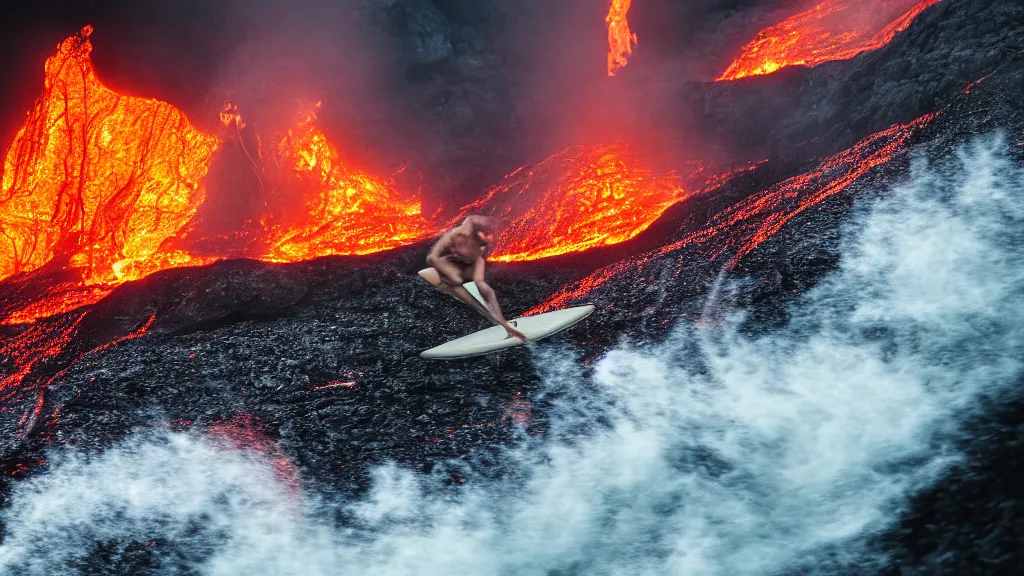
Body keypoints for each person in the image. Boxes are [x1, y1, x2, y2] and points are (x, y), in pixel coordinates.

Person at [421, 215, 527, 341]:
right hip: (452, 273)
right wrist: (449, 272)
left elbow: (480, 280)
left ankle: (503, 325)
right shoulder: (459, 235)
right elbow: (432, 258)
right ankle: (502, 325)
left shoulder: (477, 244)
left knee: (481, 293)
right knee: (470, 296)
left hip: (464, 271)